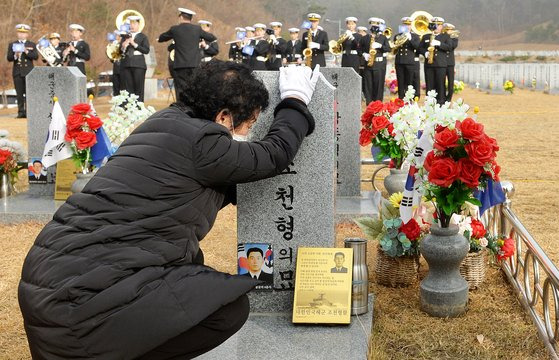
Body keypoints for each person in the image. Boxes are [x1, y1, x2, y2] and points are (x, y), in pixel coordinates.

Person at [18, 60, 322, 359]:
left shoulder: (165, 124)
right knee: (227, 308)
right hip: (83, 307)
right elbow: (273, 155)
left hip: (52, 286)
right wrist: (295, 101)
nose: (249, 133)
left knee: (194, 278)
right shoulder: (205, 142)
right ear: (224, 117)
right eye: (250, 123)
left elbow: (200, 184)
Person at [158, 8, 217, 101]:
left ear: (181, 17)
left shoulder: (175, 29)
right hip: (194, 65)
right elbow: (212, 37)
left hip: (180, 65)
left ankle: (181, 109)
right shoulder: (197, 29)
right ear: (191, 18)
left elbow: (161, 38)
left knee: (180, 90)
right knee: (193, 88)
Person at [7, 24, 38, 118]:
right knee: (19, 93)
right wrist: (16, 55)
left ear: (27, 34)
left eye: (23, 33)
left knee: (29, 93)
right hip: (17, 72)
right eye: (20, 32)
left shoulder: (31, 44)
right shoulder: (12, 44)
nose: (21, 34)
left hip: (28, 72)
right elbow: (9, 58)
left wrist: (26, 51)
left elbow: (35, 57)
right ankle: (21, 112)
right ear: (17, 33)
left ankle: (29, 112)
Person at [419, 16, 451, 105]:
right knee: (429, 85)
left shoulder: (446, 36)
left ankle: (441, 103)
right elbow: (419, 48)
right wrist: (425, 53)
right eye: (434, 25)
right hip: (429, 65)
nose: (436, 27)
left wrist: (439, 44)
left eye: (438, 25)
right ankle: (429, 104)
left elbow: (449, 47)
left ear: (441, 27)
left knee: (440, 85)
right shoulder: (426, 36)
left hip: (440, 65)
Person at [359, 17, 391, 103]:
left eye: (376, 24)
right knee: (368, 85)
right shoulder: (365, 38)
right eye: (373, 24)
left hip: (379, 64)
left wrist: (380, 46)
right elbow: (359, 50)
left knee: (379, 85)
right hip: (368, 64)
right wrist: (364, 54)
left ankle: (378, 103)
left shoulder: (383, 38)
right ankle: (369, 104)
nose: (374, 27)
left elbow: (388, 49)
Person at [120, 16, 150, 102]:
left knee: (138, 88)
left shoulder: (143, 36)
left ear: (138, 24)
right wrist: (123, 46)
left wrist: (134, 44)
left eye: (134, 23)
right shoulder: (124, 37)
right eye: (130, 23)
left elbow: (146, 50)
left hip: (138, 64)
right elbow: (119, 52)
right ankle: (129, 109)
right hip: (127, 64)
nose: (132, 26)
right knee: (128, 89)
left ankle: (139, 108)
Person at [394, 17, 421, 100]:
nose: (407, 26)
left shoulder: (415, 36)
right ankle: (401, 99)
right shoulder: (397, 36)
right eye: (405, 24)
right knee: (401, 82)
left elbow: (417, 47)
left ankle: (410, 99)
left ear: (411, 25)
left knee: (410, 82)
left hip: (410, 62)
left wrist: (410, 38)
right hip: (400, 62)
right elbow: (395, 48)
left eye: (408, 24)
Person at [443, 23, 459, 102]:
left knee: (450, 82)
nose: (448, 31)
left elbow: (452, 46)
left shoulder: (454, 38)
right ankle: (442, 97)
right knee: (441, 81)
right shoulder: (441, 37)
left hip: (450, 63)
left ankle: (449, 98)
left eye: (449, 30)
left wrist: (448, 37)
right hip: (441, 62)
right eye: (446, 30)